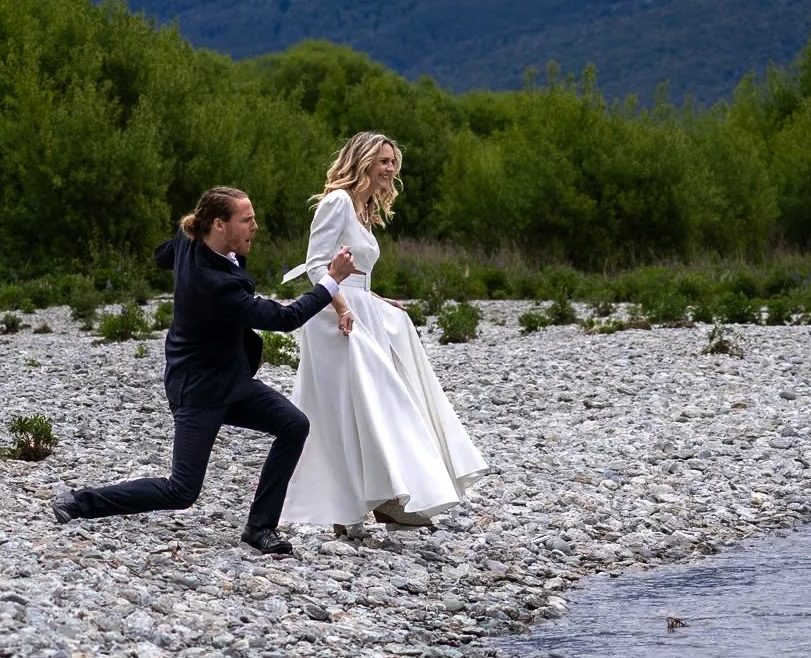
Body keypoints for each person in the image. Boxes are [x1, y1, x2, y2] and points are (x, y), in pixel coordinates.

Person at [51, 186, 357, 556]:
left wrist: (179, 259)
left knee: (294, 424)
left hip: (232, 379)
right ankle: (78, 502)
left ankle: (260, 527)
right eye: (247, 220)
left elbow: (161, 254)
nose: (255, 227)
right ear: (218, 224)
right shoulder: (215, 285)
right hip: (198, 388)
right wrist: (331, 280)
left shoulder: (191, 239)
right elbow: (284, 317)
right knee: (182, 490)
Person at [281, 132, 485, 533]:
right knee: (358, 406)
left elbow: (357, 275)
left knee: (372, 402)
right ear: (364, 161)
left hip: (359, 308)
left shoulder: (364, 208)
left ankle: (383, 497)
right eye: (384, 161)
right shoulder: (338, 201)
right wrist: (343, 305)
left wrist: (376, 299)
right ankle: (359, 504)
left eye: (393, 162)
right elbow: (316, 264)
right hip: (333, 315)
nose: (390, 169)